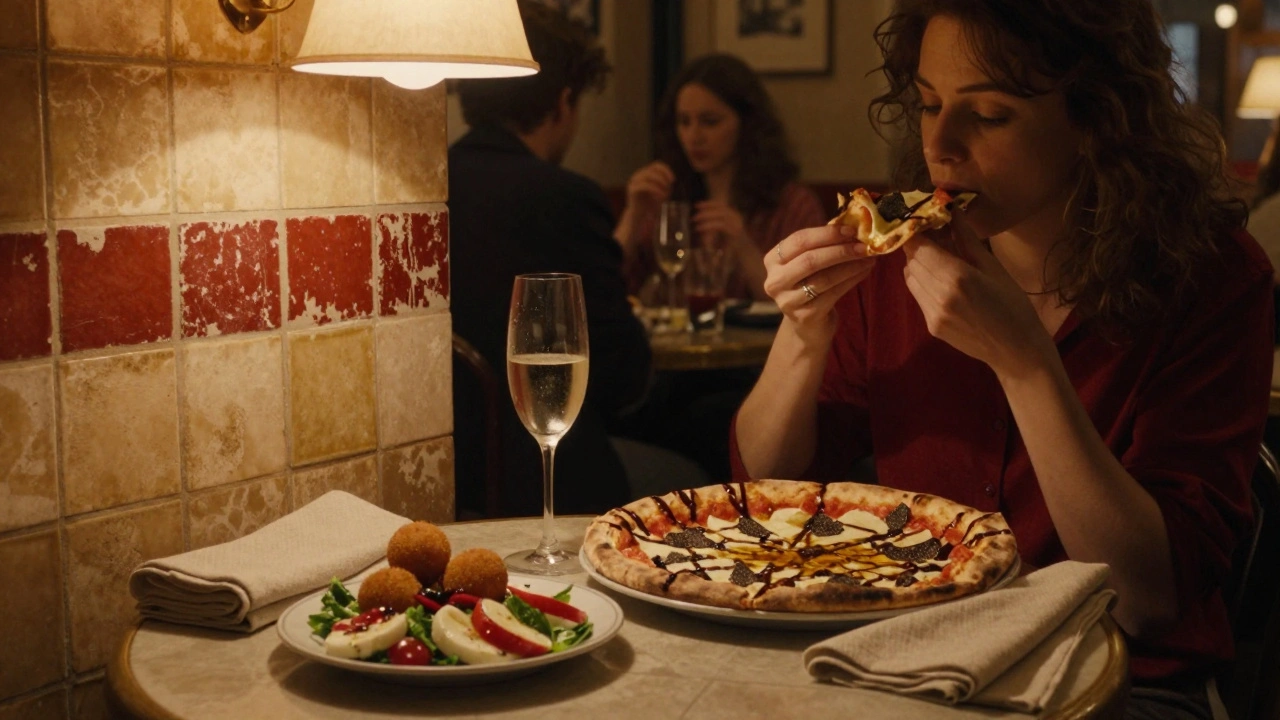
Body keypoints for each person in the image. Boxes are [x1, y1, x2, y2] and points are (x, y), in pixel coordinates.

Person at [731, 1, 1273, 717]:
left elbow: (1147, 598)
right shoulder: (898, 258)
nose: (941, 146)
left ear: (1095, 119)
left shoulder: (1210, 276)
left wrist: (1025, 366)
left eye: (988, 116)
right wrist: (802, 336)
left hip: (1130, 679)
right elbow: (764, 497)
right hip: (911, 660)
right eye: (927, 105)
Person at [449, 1, 703, 517]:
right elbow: (624, 375)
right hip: (553, 481)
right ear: (564, 102)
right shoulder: (562, 195)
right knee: (694, 476)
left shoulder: (423, 188)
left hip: (448, 475)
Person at [614, 53, 826, 301]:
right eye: (684, 122)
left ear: (746, 124)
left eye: (710, 122)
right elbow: (606, 286)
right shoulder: (670, 198)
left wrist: (743, 246)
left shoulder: (792, 205)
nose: (694, 136)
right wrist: (633, 215)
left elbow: (805, 301)